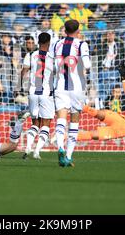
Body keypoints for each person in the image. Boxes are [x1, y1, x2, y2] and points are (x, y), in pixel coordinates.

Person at [43, 20, 91, 167]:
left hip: (60, 87)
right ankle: (69, 156)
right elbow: (87, 65)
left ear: (65, 30)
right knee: (74, 121)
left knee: (61, 119)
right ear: (78, 30)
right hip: (77, 88)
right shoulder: (82, 44)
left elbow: (48, 66)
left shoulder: (56, 44)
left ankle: (60, 148)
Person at [20, 33, 55, 159]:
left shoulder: (30, 55)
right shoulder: (52, 57)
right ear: (49, 42)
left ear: (38, 42)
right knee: (45, 124)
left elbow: (23, 71)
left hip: (33, 93)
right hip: (46, 93)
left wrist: (20, 87)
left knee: (35, 123)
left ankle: (28, 147)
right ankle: (37, 152)